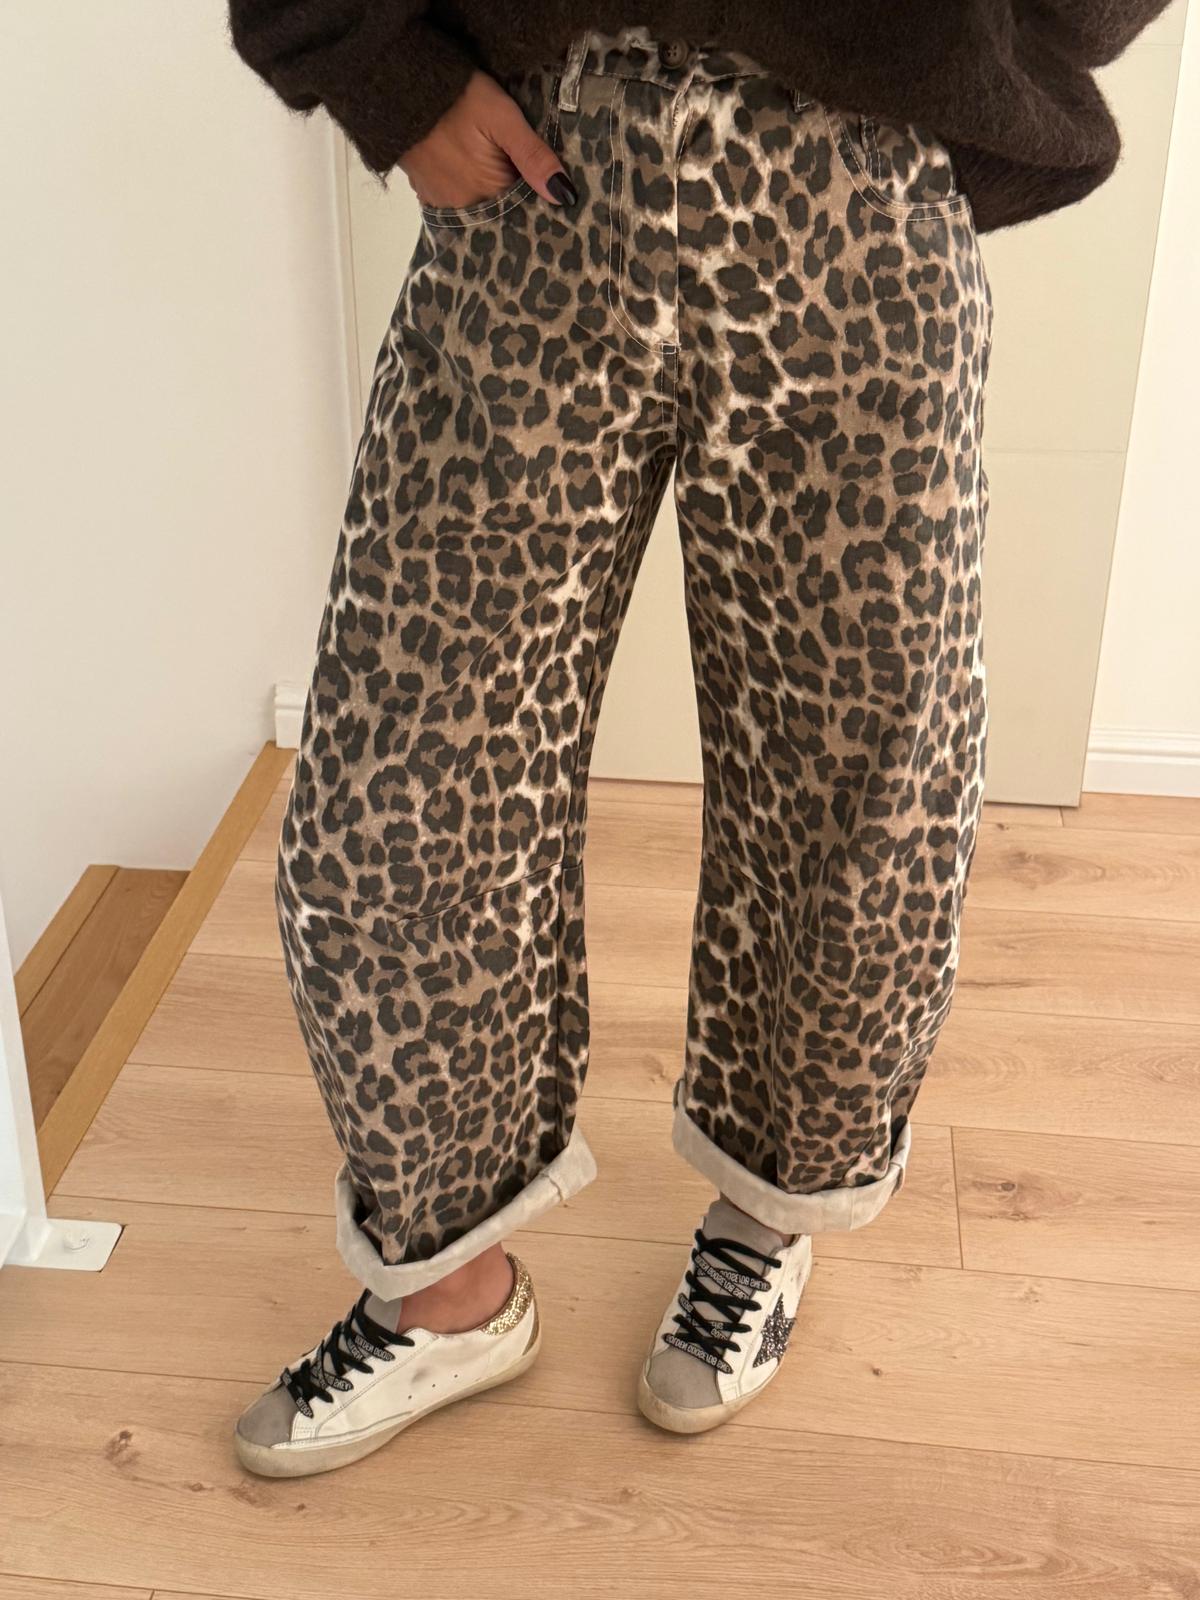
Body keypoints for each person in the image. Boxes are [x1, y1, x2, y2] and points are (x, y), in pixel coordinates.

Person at [226, 1, 1169, 1477]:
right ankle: (447, 1287)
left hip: (855, 197)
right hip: (542, 169)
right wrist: (381, 70)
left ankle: (768, 1217)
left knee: (858, 778)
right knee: (400, 774)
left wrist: (975, 60)